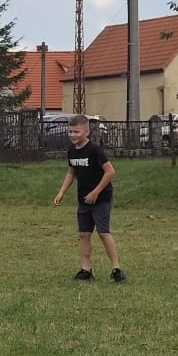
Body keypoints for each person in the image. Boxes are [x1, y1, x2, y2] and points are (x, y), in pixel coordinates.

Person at [52, 116, 124, 282]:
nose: (73, 135)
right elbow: (71, 172)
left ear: (86, 132)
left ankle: (116, 269)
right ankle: (86, 269)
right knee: (84, 234)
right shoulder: (71, 151)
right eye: (70, 132)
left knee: (103, 233)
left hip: (101, 199)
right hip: (83, 199)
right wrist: (62, 191)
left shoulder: (95, 151)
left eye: (76, 132)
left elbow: (110, 172)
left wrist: (96, 192)